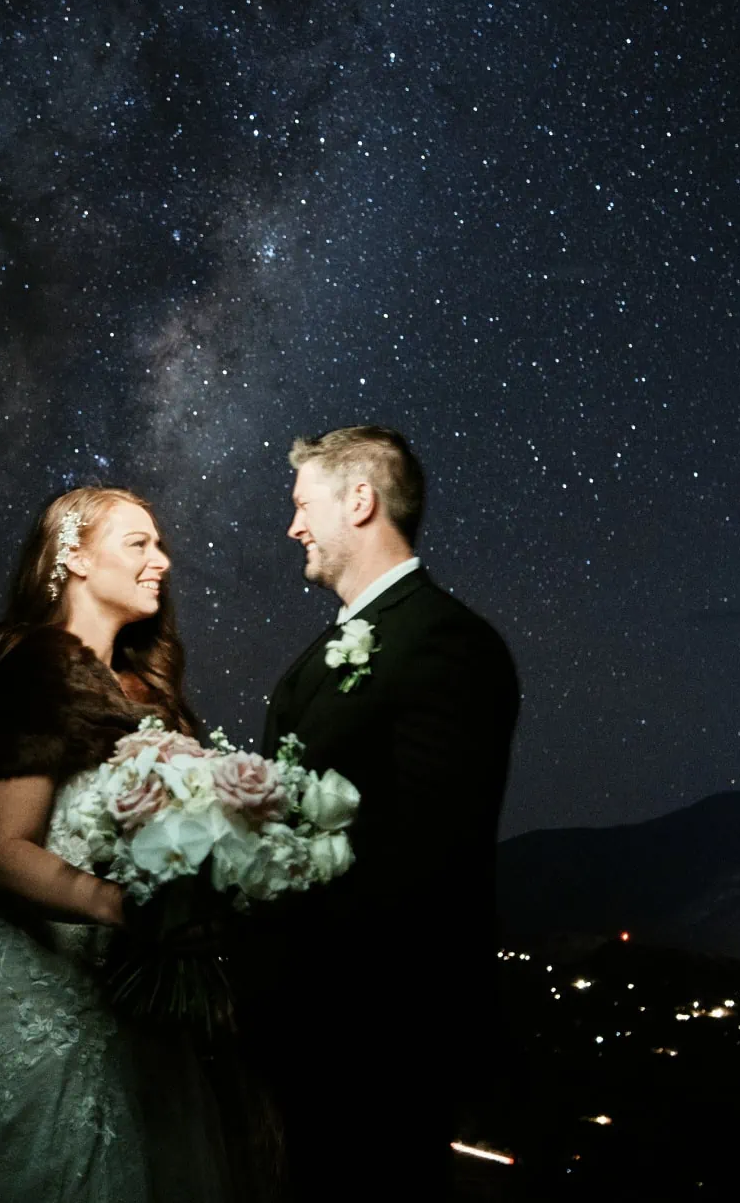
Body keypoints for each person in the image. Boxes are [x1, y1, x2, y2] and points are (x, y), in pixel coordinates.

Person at [0, 486, 235, 1202]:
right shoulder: (31, 669)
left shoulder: (149, 694)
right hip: (50, 1010)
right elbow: (3, 850)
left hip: (145, 1022)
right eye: (139, 543)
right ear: (74, 557)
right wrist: (124, 906)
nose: (162, 560)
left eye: (160, 545)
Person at [250, 426, 520, 1200]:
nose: (292, 526)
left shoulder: (447, 643)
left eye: (304, 505)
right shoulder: (321, 650)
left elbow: (433, 853)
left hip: (377, 1035)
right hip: (303, 1024)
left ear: (360, 500)